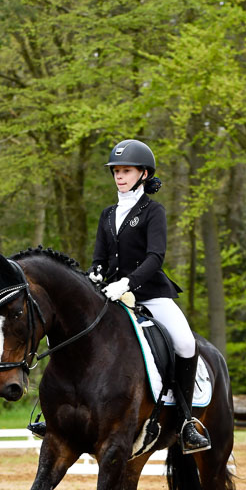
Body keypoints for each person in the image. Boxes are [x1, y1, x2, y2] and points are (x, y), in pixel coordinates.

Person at [89, 138, 210, 454]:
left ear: (143, 173)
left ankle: (186, 423)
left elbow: (155, 257)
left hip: (150, 294)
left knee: (185, 342)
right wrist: (96, 275)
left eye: (126, 171)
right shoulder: (106, 214)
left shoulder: (153, 211)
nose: (119, 176)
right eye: (116, 171)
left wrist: (127, 282)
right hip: (113, 296)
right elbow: (99, 258)